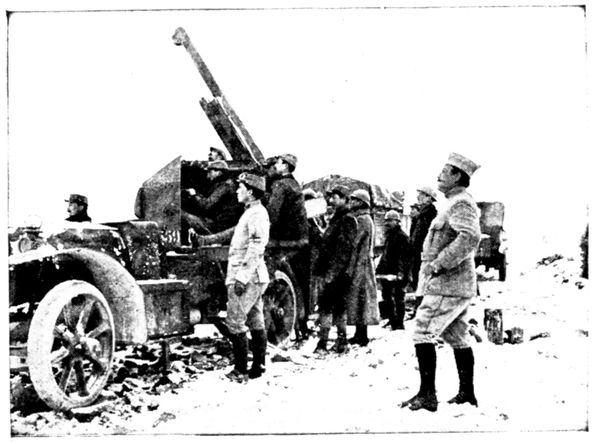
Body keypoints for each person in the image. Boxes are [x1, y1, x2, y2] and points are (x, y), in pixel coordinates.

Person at [401, 152, 481, 412]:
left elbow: (469, 237)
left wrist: (440, 263)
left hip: (448, 283)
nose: (439, 175)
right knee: (457, 336)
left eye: (446, 171)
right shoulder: (453, 202)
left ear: (458, 176)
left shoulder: (461, 203)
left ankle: (427, 396)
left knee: (422, 331)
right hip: (451, 284)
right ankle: (467, 394)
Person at [223, 172, 270, 383]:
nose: (236, 191)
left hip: (247, 277)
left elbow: (256, 246)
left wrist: (241, 277)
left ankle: (240, 370)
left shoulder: (256, 213)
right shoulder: (252, 212)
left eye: (240, 188)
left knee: (235, 322)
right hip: (254, 276)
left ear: (250, 192)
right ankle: (258, 366)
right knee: (255, 319)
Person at [263, 154, 310, 339]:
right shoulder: (293, 184)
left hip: (284, 242)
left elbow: (272, 215)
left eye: (278, 163)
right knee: (297, 284)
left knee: (278, 280)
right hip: (297, 241)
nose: (275, 166)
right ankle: (301, 326)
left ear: (285, 165)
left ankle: (292, 327)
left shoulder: (281, 185)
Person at [313, 185, 357, 354]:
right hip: (335, 272)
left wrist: (332, 273)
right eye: (331, 197)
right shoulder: (338, 218)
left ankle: (324, 343)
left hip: (337, 273)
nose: (331, 200)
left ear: (345, 200)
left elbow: (343, 251)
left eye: (335, 197)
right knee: (337, 307)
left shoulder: (347, 220)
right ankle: (341, 342)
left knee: (327, 307)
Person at [346, 189, 379, 346]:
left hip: (361, 264)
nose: (351, 202)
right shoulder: (366, 218)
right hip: (363, 263)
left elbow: (354, 241)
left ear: (361, 202)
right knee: (361, 300)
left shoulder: (362, 220)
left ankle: (362, 336)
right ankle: (360, 334)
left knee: (361, 300)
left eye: (354, 200)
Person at [181, 160, 243, 234]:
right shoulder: (223, 184)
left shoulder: (226, 186)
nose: (208, 175)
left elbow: (207, 205)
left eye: (210, 172)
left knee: (181, 214)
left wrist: (194, 194)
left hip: (217, 226)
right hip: (218, 222)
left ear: (218, 172)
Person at [375, 209, 412, 330]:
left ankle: (399, 323)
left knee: (399, 298)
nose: (387, 223)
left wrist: (401, 273)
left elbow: (404, 257)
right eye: (386, 221)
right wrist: (379, 270)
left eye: (390, 220)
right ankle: (392, 321)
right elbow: (385, 255)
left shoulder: (402, 237)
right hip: (388, 273)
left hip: (398, 274)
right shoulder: (389, 236)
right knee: (387, 297)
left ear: (397, 221)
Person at [409, 186, 438, 305]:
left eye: (421, 194)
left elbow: (424, 236)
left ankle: (422, 307)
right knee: (418, 280)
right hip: (418, 252)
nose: (418, 197)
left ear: (428, 198)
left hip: (423, 253)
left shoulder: (429, 214)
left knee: (422, 282)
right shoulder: (422, 214)